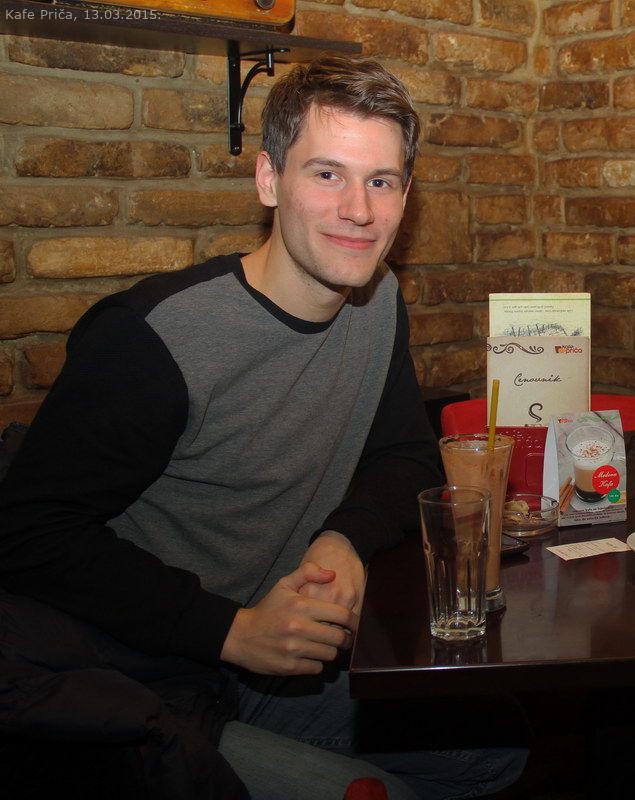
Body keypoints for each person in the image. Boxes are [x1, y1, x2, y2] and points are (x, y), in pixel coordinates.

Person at [0, 56, 524, 799]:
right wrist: (231, 631)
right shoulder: (154, 338)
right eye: (327, 174)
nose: (359, 210)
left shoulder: (377, 301)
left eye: (381, 182)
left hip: (270, 654)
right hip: (145, 670)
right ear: (269, 179)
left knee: (497, 748)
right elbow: (26, 534)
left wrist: (343, 538)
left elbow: (406, 453)